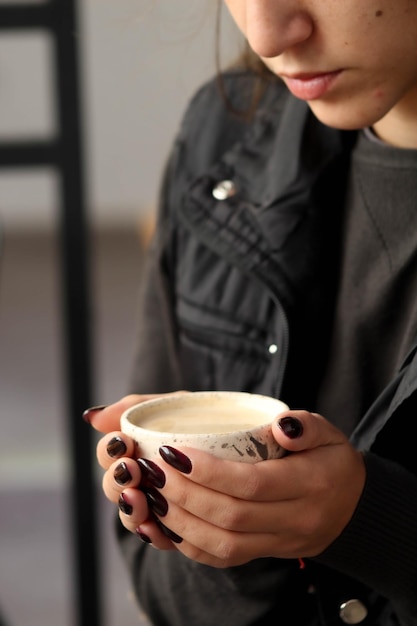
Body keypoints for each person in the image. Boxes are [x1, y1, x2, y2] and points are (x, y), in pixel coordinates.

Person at [83, 1, 417, 624]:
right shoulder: (226, 132)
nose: (266, 34)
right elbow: (158, 583)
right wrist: (236, 530)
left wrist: (372, 525)